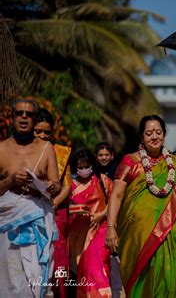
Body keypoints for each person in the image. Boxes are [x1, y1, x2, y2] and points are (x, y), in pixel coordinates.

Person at [106, 115, 176, 297]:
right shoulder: (130, 162)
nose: (154, 137)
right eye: (149, 133)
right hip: (138, 236)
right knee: (142, 283)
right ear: (142, 136)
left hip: (170, 233)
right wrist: (110, 227)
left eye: (158, 132)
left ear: (164, 134)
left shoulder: (175, 164)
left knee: (173, 279)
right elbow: (116, 196)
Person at [0, 98, 60, 297]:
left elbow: (56, 184)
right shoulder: (1, 148)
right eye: (19, 113)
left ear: (35, 120)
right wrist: (10, 180)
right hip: (7, 222)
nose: (24, 117)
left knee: (37, 280)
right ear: (12, 118)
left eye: (29, 114)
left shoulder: (46, 148)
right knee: (10, 282)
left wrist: (51, 186)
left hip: (38, 219)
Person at [35, 107, 72, 298]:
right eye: (38, 131)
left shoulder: (61, 153)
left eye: (46, 132)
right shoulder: (22, 151)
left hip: (56, 212)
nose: (42, 135)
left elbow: (67, 186)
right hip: (29, 211)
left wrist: (53, 204)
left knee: (58, 261)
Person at [68, 149, 112, 297]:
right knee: (82, 269)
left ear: (92, 164)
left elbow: (116, 201)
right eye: (80, 167)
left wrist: (102, 214)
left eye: (86, 165)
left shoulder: (102, 180)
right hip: (79, 235)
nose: (84, 169)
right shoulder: (70, 185)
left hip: (100, 230)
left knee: (98, 266)